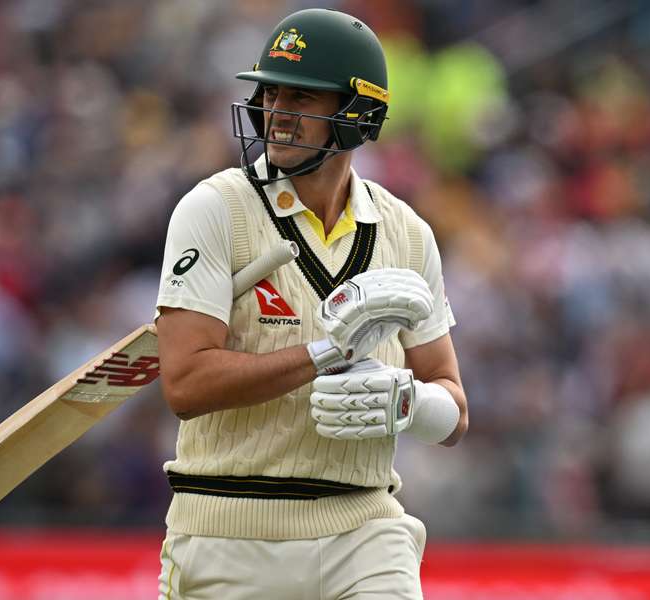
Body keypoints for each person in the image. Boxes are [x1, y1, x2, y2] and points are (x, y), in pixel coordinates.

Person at [154, 8, 468, 599]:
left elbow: (454, 407)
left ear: (357, 115)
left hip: (366, 531)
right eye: (270, 93)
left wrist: (409, 402)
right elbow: (186, 384)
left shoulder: (406, 233)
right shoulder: (213, 209)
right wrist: (326, 353)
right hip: (228, 532)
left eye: (302, 98)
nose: (276, 114)